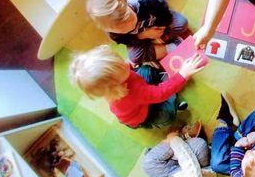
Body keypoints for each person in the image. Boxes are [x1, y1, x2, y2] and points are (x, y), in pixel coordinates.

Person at [69, 45, 204, 128]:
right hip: (142, 115)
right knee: (167, 114)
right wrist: (182, 75)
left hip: (135, 97)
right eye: (122, 66)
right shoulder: (131, 93)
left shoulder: (115, 81)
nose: (125, 62)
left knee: (145, 69)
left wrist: (130, 67)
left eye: (119, 60)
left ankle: (163, 84)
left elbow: (130, 70)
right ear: (115, 85)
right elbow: (159, 94)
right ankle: (155, 119)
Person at [86, 0, 188, 66]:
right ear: (108, 29)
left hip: (157, 22)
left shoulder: (147, 1)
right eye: (123, 30)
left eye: (131, 19)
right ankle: (169, 46)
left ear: (125, 2)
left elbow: (164, 13)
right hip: (140, 38)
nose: (131, 27)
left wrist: (161, 26)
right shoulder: (113, 32)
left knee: (181, 23)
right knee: (134, 57)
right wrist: (141, 35)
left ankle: (155, 44)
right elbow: (126, 40)